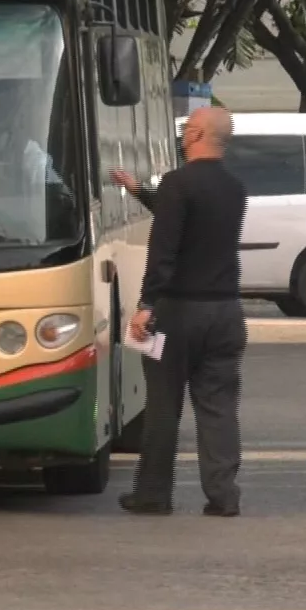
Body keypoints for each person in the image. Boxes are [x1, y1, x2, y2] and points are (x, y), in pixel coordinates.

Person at [117, 106, 248, 517]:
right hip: (226, 313)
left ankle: (154, 494)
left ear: (195, 135)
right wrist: (141, 191)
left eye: (187, 128)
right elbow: (194, 218)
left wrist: (145, 307)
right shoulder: (234, 188)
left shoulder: (178, 184)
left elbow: (166, 249)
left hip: (176, 314)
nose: (183, 134)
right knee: (219, 406)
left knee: (163, 404)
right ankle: (223, 494)